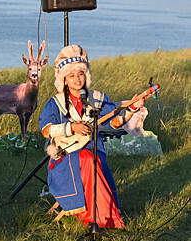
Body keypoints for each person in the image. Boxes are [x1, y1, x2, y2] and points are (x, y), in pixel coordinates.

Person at [39, 45, 144, 228]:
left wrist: (132, 109)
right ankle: (101, 218)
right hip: (65, 156)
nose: (77, 79)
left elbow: (115, 122)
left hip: (93, 150)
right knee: (88, 160)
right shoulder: (55, 103)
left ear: (86, 75)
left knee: (90, 158)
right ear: (64, 79)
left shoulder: (97, 98)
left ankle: (100, 217)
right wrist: (72, 127)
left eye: (80, 74)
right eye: (71, 75)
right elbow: (46, 130)